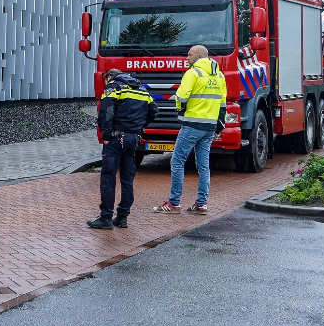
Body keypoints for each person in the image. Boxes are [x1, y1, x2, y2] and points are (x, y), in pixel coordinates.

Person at [154, 45, 227, 216]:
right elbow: (222, 104)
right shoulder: (219, 75)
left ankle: (174, 203)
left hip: (192, 125)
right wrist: (219, 126)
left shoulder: (193, 73)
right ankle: (201, 204)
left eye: (190, 55)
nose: (187, 58)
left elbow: (181, 97)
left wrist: (181, 111)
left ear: (200, 56)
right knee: (203, 165)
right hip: (209, 127)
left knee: (177, 161)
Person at [91, 69, 156, 229]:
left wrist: (106, 135)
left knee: (108, 177)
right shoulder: (141, 89)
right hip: (133, 138)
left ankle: (106, 218)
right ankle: (122, 217)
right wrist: (139, 127)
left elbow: (106, 111)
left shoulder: (114, 87)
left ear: (109, 77)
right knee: (127, 179)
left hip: (115, 138)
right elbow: (154, 110)